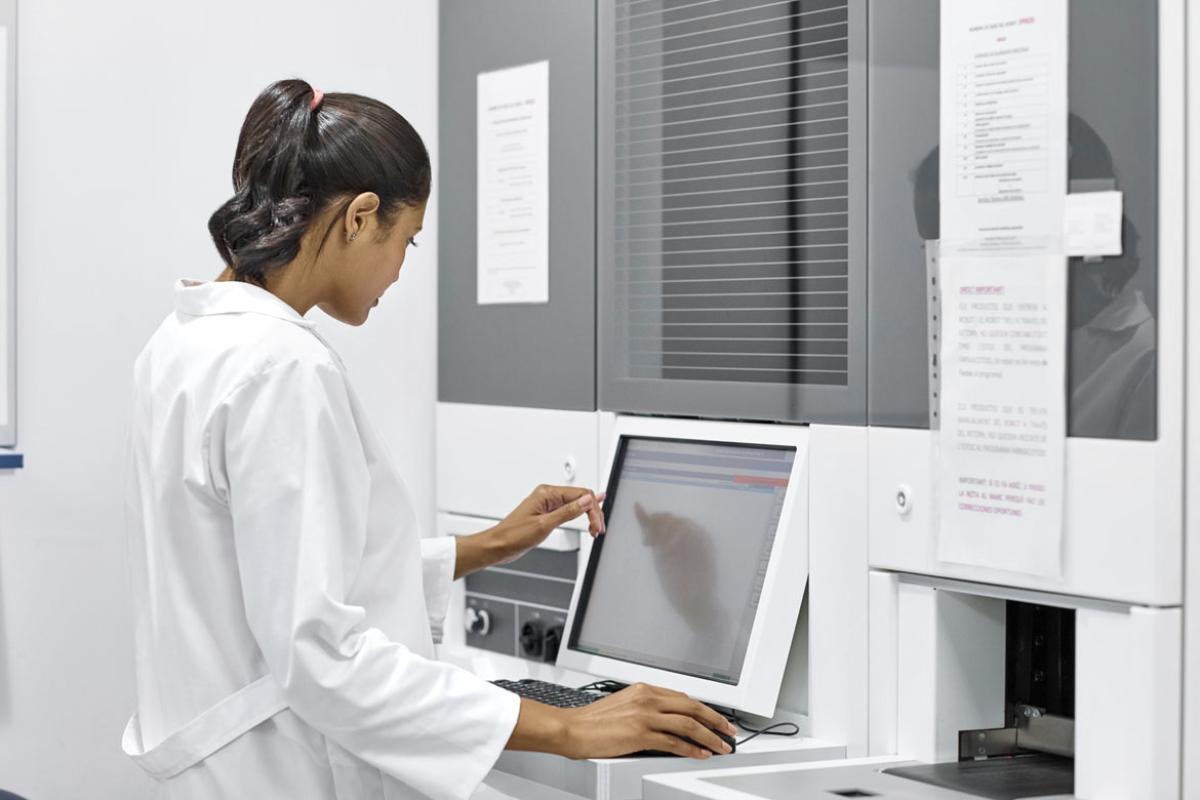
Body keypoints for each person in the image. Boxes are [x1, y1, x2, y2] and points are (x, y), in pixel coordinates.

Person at [122, 79, 734, 800]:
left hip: (222, 762)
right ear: (359, 217)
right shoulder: (282, 366)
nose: (401, 269)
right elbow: (319, 656)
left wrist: (484, 549)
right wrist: (570, 727)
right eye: (406, 240)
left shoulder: (187, 339)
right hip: (279, 768)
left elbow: (268, 573)